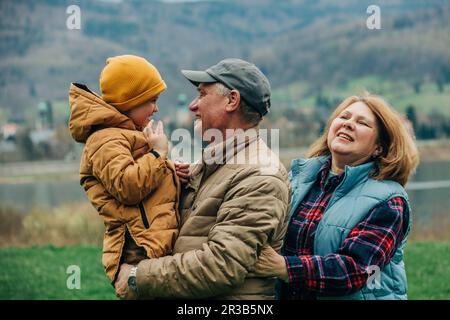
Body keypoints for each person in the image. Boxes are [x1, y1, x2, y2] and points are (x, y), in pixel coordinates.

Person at [114, 58, 291, 300]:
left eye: (202, 94)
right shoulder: (208, 165)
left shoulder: (260, 176)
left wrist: (137, 276)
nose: (192, 106)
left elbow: (220, 266)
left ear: (232, 100)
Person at [254, 93, 419, 300]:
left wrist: (284, 267)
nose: (348, 124)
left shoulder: (389, 201)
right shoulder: (297, 180)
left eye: (362, 123)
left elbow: (356, 270)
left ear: (379, 148)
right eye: (344, 117)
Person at [68, 54, 180, 286]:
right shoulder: (105, 140)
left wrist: (171, 170)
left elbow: (146, 177)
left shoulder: (126, 134)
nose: (156, 108)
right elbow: (128, 186)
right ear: (130, 101)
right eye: (151, 100)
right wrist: (158, 154)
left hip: (151, 245)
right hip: (137, 248)